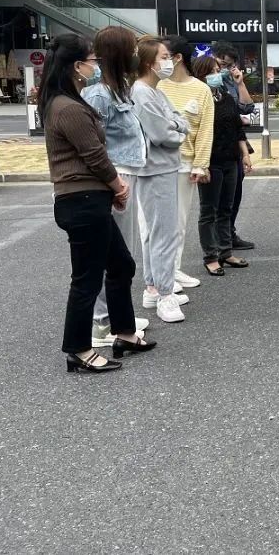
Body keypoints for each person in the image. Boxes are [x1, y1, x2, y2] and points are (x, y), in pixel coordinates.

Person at [39, 34, 154, 373]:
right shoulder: (68, 107)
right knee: (87, 279)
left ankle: (125, 333)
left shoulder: (66, 102)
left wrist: (111, 190)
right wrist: (118, 186)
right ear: (77, 66)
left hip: (88, 199)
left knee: (121, 265)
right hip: (82, 200)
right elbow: (95, 155)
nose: (96, 65)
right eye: (92, 60)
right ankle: (78, 349)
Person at [80, 27, 153, 347]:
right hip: (114, 178)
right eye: (132, 49)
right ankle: (102, 322)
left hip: (127, 174)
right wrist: (112, 182)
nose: (136, 54)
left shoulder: (120, 89)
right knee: (110, 254)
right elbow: (92, 145)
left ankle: (118, 315)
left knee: (122, 254)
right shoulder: (98, 95)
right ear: (119, 53)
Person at [132, 38, 191, 323]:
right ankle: (164, 293)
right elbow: (163, 134)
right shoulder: (142, 93)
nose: (169, 62)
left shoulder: (156, 92)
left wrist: (176, 125)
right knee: (164, 233)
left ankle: (154, 287)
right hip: (155, 169)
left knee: (158, 232)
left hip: (162, 167)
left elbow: (179, 119)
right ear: (148, 62)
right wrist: (177, 129)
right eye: (165, 57)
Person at [158, 37, 214, 289]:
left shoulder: (201, 90)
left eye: (164, 55)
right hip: (156, 164)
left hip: (184, 164)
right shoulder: (156, 86)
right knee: (156, 224)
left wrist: (200, 164)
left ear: (177, 57)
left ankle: (174, 269)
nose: (160, 61)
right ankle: (159, 278)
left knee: (178, 223)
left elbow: (205, 130)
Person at [193, 56, 252, 276]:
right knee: (209, 210)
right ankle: (211, 256)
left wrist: (244, 154)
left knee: (226, 208)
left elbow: (238, 128)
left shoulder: (225, 96)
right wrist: (200, 164)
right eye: (212, 72)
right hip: (210, 161)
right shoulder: (198, 98)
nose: (217, 75)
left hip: (230, 159)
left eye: (218, 70)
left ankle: (225, 252)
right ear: (200, 75)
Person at [212, 41, 256, 252]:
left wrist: (240, 83)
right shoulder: (203, 83)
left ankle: (229, 233)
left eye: (229, 65)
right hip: (214, 146)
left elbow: (247, 108)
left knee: (234, 193)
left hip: (235, 143)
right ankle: (216, 241)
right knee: (215, 199)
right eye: (221, 64)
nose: (224, 69)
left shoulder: (230, 82)